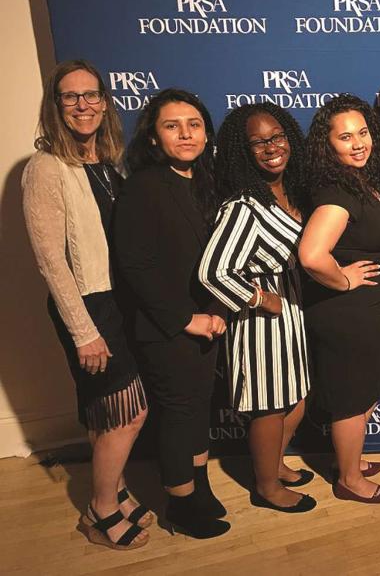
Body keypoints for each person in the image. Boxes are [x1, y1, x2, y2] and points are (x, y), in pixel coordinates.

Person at [22, 60, 150, 550]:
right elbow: (51, 260)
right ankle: (98, 512)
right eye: (70, 97)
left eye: (91, 95)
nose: (83, 105)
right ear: (56, 107)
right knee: (125, 412)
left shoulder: (105, 162)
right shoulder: (45, 168)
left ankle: (113, 490)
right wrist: (84, 330)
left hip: (119, 301)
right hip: (89, 305)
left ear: (104, 102)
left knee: (108, 411)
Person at [114, 88, 230, 539]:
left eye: (194, 124)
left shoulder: (205, 182)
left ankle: (197, 486)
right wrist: (186, 319)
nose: (185, 133)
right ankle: (180, 504)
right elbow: (135, 265)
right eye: (172, 125)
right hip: (169, 327)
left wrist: (218, 307)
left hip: (210, 318)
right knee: (181, 412)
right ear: (154, 138)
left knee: (198, 409)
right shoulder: (144, 186)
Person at [199, 102, 315, 514]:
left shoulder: (287, 192)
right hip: (261, 321)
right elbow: (213, 272)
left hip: (293, 312)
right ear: (242, 151)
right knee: (268, 406)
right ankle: (266, 486)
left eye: (277, 137)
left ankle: (276, 464)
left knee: (296, 400)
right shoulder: (243, 207)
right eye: (258, 142)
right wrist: (261, 299)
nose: (271, 147)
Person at [298, 94, 380, 504]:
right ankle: (349, 481)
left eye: (363, 133)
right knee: (352, 398)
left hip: (368, 312)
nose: (358, 143)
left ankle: (350, 462)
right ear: (328, 145)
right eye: (345, 137)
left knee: (364, 390)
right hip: (347, 313)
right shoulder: (336, 192)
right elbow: (311, 255)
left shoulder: (358, 181)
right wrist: (343, 281)